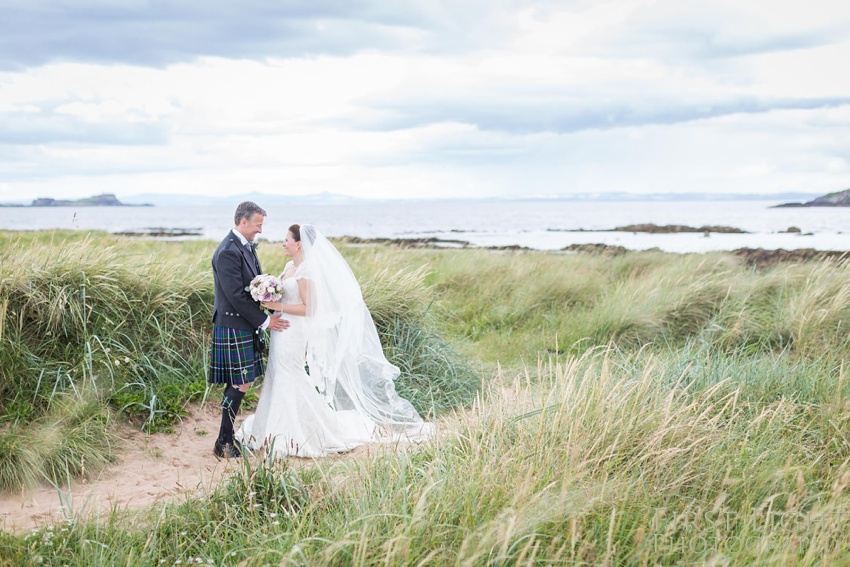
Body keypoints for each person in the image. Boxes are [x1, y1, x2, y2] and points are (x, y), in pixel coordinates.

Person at [236, 223, 433, 458]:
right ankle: (271, 427)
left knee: (291, 374)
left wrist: (275, 305)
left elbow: (310, 308)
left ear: (298, 244)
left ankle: (294, 432)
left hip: (294, 331)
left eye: (287, 239)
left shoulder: (306, 271)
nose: (283, 243)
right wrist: (269, 297)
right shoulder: (290, 266)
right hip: (281, 329)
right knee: (277, 373)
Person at [208, 201, 289, 459]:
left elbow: (253, 285)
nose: (260, 231)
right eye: (258, 225)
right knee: (241, 380)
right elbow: (235, 296)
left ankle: (225, 438)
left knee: (241, 381)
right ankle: (223, 442)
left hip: (243, 324)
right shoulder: (228, 252)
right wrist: (265, 321)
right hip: (233, 324)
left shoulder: (246, 247)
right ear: (243, 222)